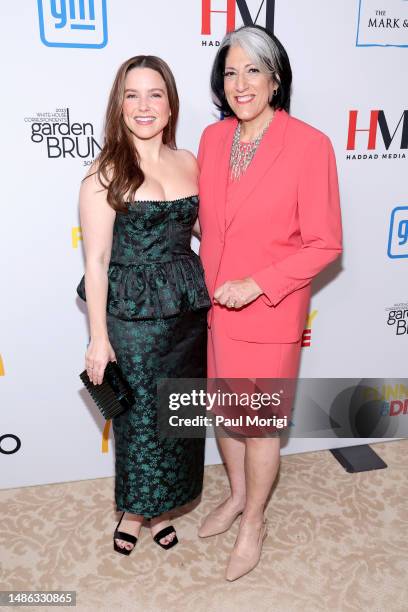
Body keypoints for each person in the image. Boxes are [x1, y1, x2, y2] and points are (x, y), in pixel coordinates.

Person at [197, 25, 343, 580]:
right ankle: (236, 497)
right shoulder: (213, 141)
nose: (240, 83)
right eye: (231, 72)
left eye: (253, 70)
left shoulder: (310, 145)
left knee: (258, 427)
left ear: (276, 77)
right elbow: (209, 221)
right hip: (215, 313)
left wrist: (258, 283)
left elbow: (325, 242)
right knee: (226, 418)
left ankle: (254, 520)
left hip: (269, 313)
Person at [76, 55, 211, 555]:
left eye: (155, 94)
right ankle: (134, 511)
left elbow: (209, 233)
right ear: (119, 105)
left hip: (187, 313)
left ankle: (163, 510)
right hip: (131, 318)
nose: (144, 105)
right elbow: (97, 259)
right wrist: (98, 338)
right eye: (131, 95)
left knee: (179, 414)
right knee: (137, 423)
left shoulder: (190, 161)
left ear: (171, 104)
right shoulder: (104, 171)